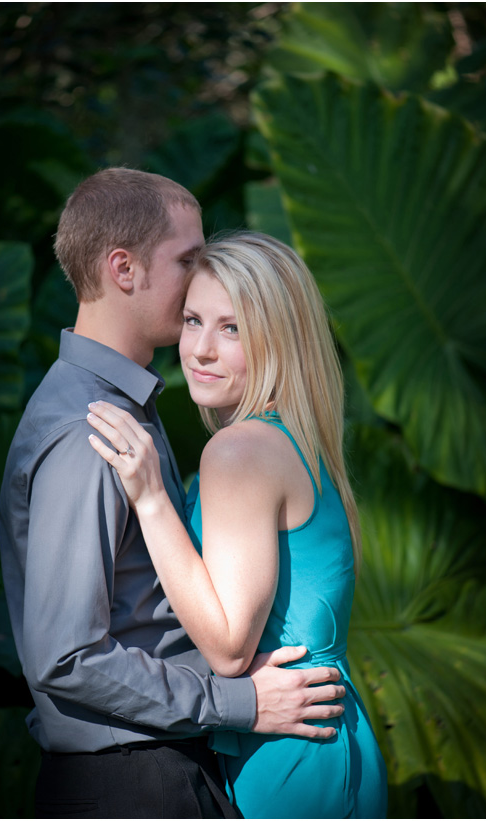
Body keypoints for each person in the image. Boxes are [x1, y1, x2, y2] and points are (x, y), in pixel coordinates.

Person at [0, 168, 346, 819]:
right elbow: (66, 656)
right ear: (124, 269)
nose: (199, 273)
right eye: (186, 258)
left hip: (154, 766)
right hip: (128, 781)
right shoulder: (89, 429)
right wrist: (241, 702)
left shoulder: (124, 405)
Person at [87, 232, 387, 818]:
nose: (199, 349)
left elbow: (228, 649)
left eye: (232, 329)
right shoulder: (299, 441)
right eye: (193, 320)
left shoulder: (239, 451)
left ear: (279, 340)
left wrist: (150, 499)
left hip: (289, 747)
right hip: (336, 736)